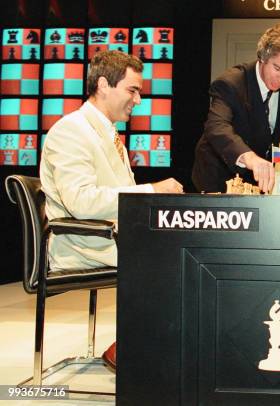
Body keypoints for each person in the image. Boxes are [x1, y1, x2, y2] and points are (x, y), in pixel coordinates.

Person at [40, 50, 183, 371]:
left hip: (107, 237)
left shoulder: (106, 132)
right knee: (173, 257)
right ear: (104, 84)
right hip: (80, 242)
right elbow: (82, 202)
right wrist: (152, 190)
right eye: (133, 90)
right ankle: (136, 347)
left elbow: (118, 201)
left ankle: (147, 345)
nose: (138, 100)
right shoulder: (70, 131)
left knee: (180, 248)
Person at [192, 22, 280, 193]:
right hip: (217, 176)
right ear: (263, 56)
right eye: (277, 68)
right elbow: (216, 127)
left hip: (256, 180)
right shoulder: (231, 83)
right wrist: (250, 158)